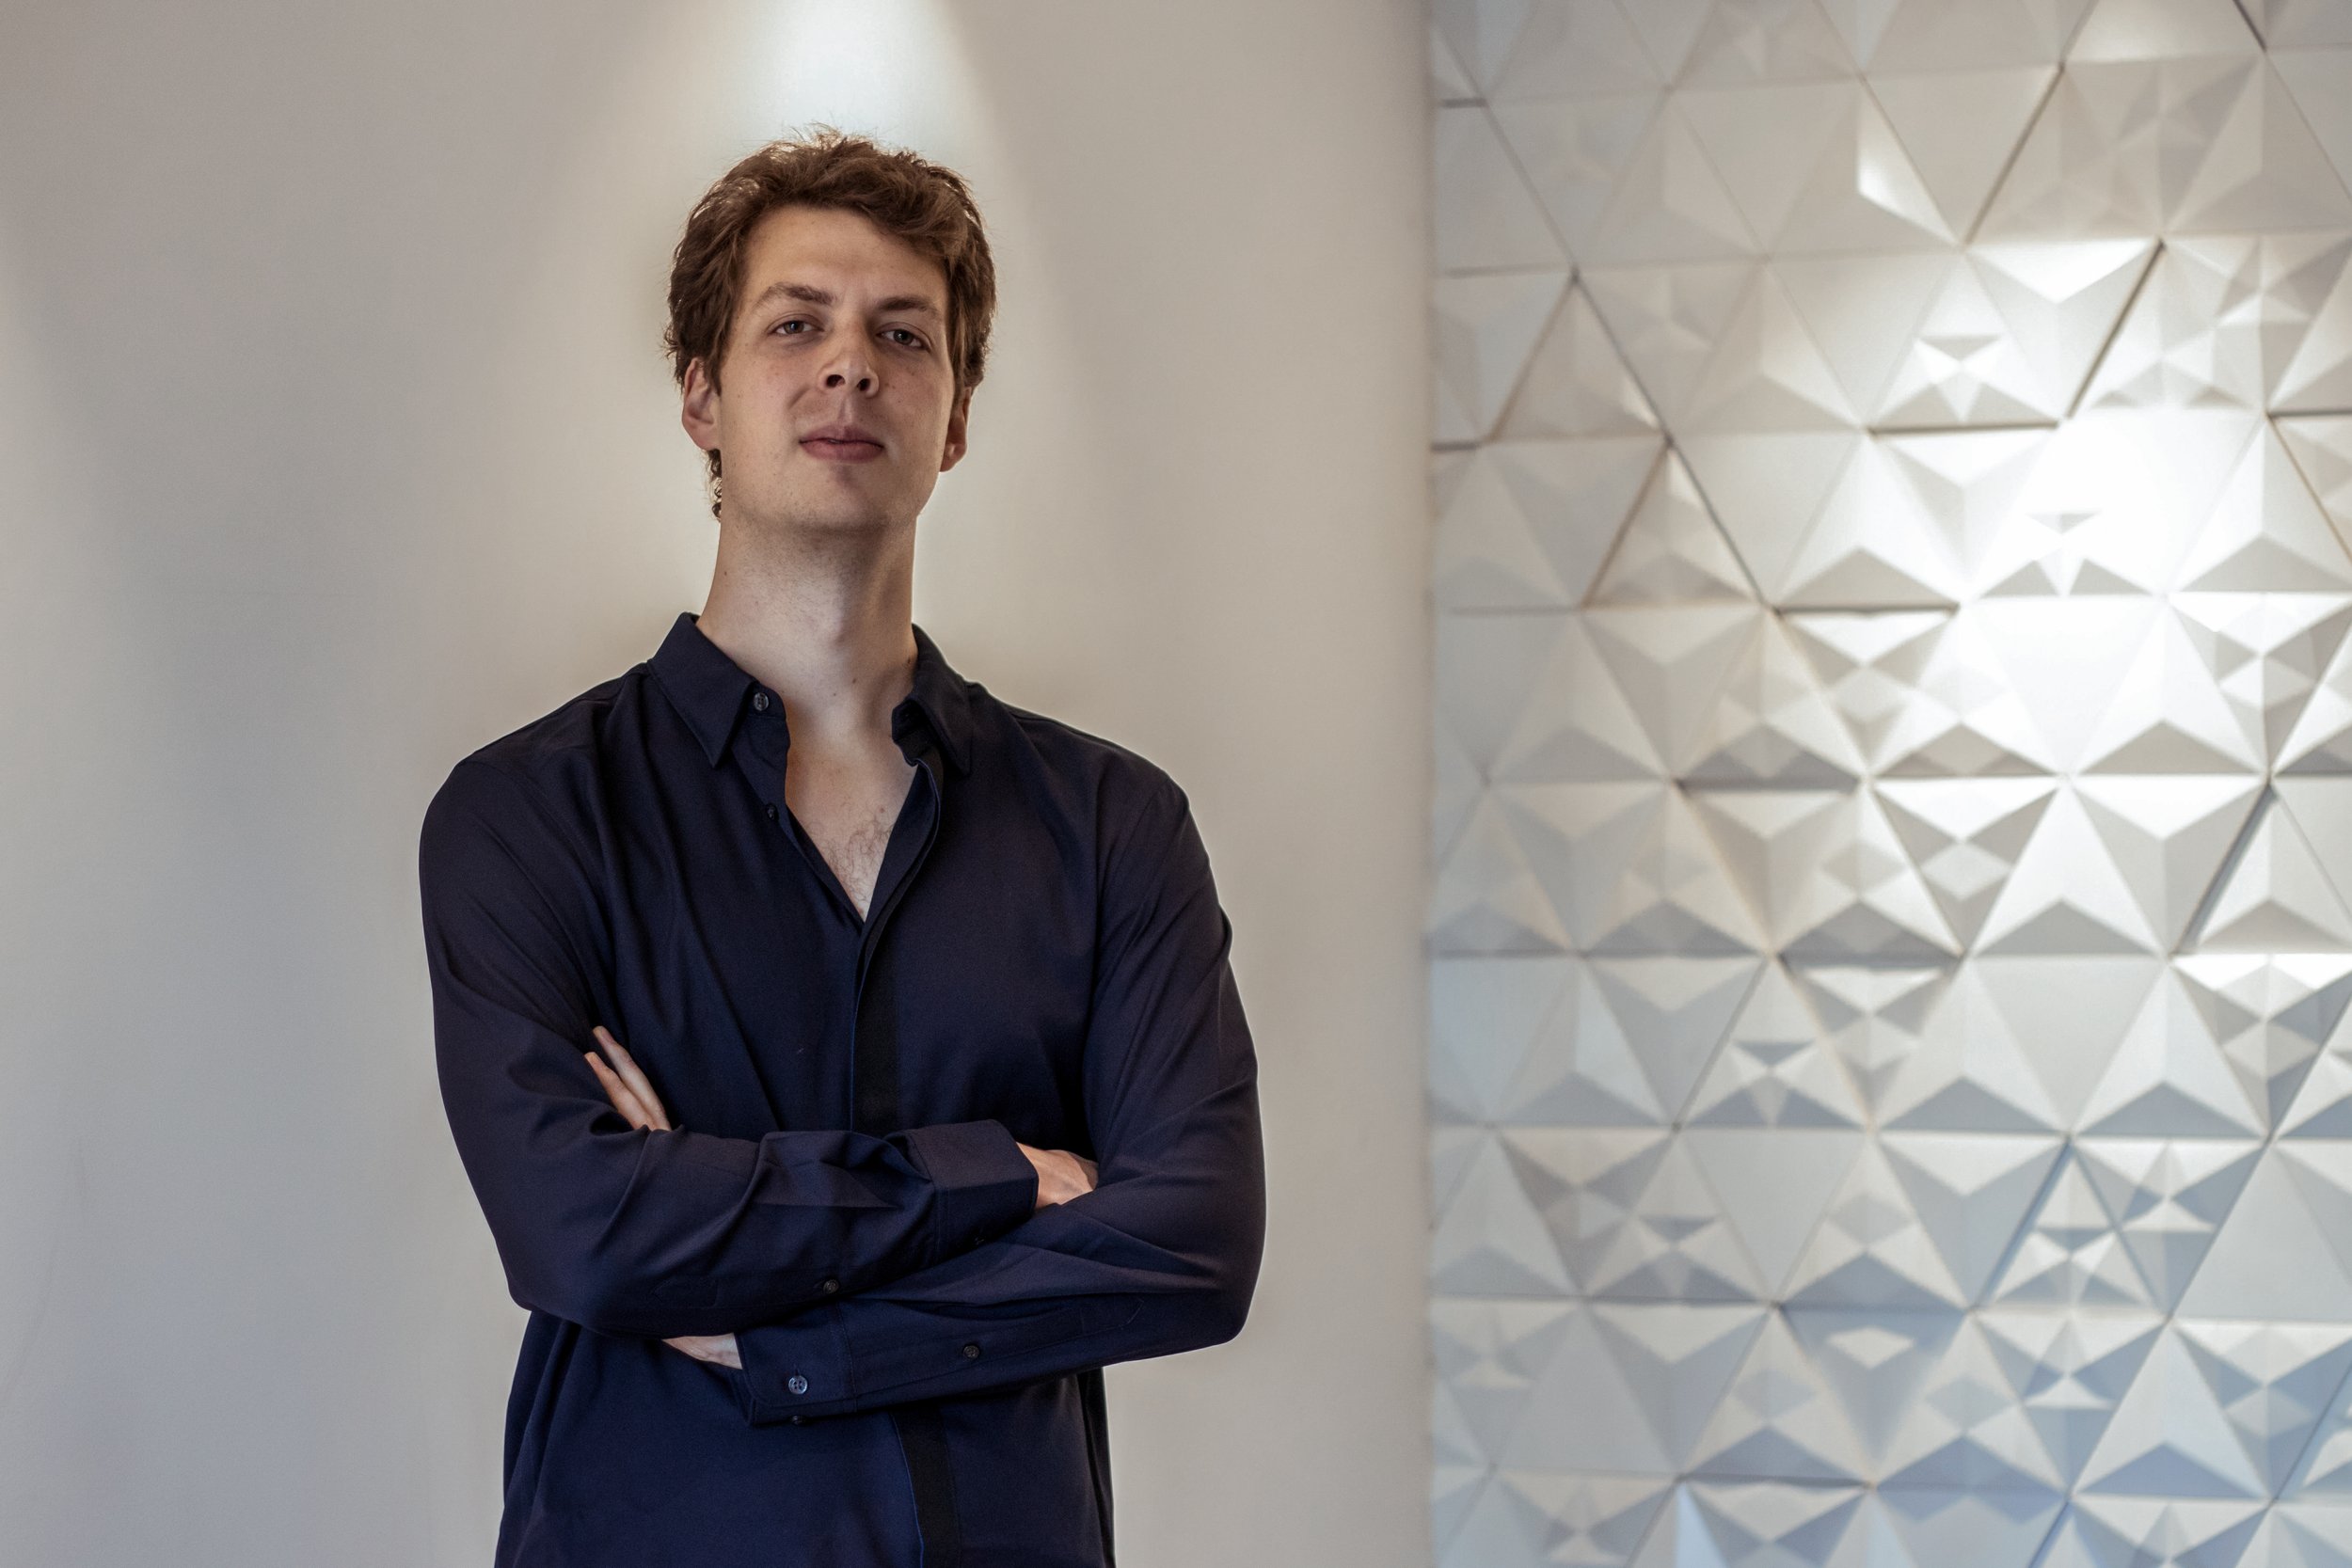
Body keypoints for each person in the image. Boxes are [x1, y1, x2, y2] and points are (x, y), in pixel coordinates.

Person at [416, 127, 1267, 1568]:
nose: (851, 365)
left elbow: (1191, 1244)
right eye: (794, 324)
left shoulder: (1113, 823)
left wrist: (781, 1330)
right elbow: (584, 1235)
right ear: (701, 395)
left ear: (956, 415)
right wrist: (1000, 1176)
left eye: (902, 334)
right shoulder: (530, 813)